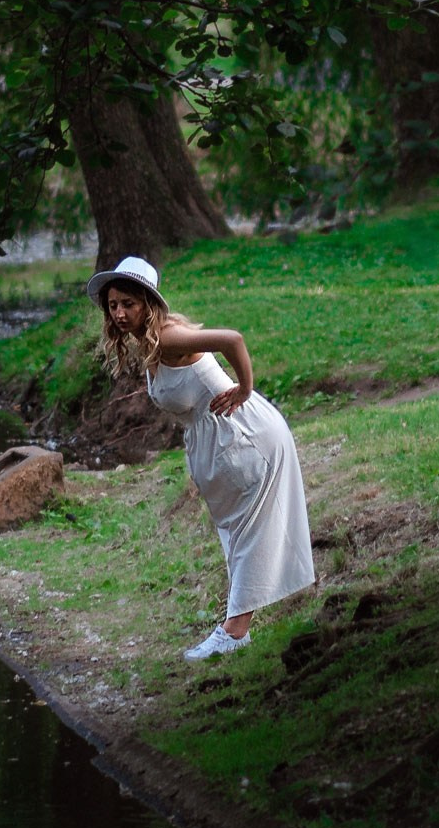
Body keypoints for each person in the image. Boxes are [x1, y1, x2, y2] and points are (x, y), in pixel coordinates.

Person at [90, 256, 315, 660]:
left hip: (245, 435)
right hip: (222, 439)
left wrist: (245, 388)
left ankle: (233, 632)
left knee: (249, 533)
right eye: (113, 305)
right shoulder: (152, 340)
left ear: (148, 303)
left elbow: (233, 340)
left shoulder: (171, 337)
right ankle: (237, 626)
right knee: (238, 533)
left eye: (129, 304)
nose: (120, 313)